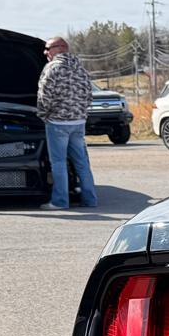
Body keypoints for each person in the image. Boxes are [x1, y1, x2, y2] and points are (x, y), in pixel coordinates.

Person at [36, 36, 97, 209]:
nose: (45, 52)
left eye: (48, 48)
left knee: (59, 163)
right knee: (82, 162)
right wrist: (80, 113)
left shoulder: (52, 68)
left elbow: (44, 95)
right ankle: (90, 199)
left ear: (59, 48)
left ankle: (60, 202)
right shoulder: (81, 68)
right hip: (78, 122)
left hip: (57, 123)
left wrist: (43, 115)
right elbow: (89, 95)